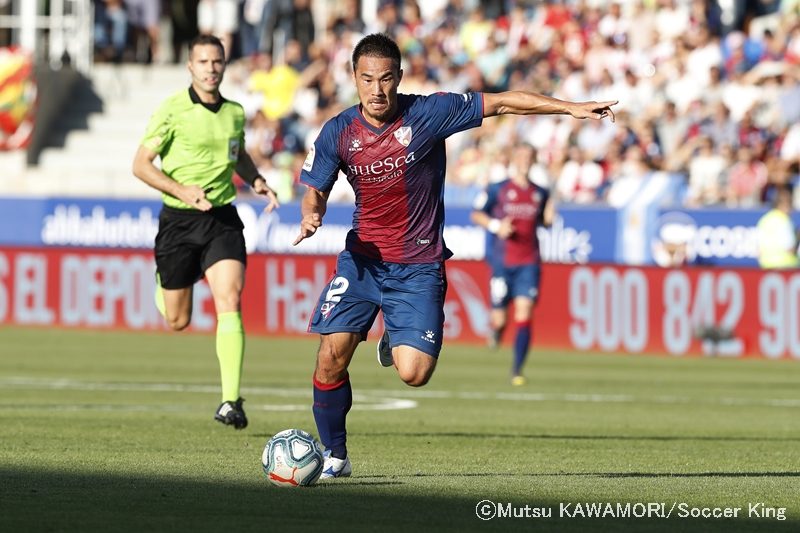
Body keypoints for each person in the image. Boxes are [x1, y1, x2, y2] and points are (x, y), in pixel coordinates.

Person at [292, 33, 616, 478]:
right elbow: (315, 189)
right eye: (367, 79)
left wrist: (570, 107)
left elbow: (502, 102)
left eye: (386, 78)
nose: (377, 89)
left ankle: (395, 332)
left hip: (418, 264)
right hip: (363, 259)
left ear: (400, 77)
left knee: (415, 373)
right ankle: (335, 455)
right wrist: (312, 215)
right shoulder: (338, 131)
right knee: (331, 354)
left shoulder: (429, 113)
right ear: (354, 79)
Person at [132, 34, 280, 430]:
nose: (211, 68)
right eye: (203, 62)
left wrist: (257, 180)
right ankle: (165, 280)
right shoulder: (172, 110)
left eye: (217, 62)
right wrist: (181, 189)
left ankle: (230, 401)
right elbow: (141, 165)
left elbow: (240, 155)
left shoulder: (234, 112)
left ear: (224, 65)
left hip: (221, 219)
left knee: (229, 298)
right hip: (179, 221)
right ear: (190, 67)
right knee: (178, 321)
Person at [470, 143, 555, 386]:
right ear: (513, 160)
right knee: (500, 318)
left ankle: (517, 369)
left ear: (534, 160)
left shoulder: (541, 192)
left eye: (529, 156)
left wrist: (548, 219)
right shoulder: (498, 189)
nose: (525, 160)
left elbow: (543, 221)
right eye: (521, 155)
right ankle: (496, 330)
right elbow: (476, 214)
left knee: (525, 312)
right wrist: (498, 226)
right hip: (502, 262)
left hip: (529, 261)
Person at [756, 184, 799, 269]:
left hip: (765, 266)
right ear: (785, 204)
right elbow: (790, 248)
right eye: (790, 204)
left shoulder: (765, 219)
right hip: (785, 268)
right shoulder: (784, 220)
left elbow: (758, 249)